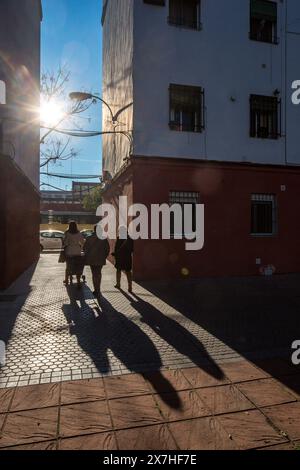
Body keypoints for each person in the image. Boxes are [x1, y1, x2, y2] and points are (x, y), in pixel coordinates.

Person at [83, 225, 110, 297]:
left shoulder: (89, 238)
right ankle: (98, 289)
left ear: (94, 230)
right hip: (100, 258)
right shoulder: (104, 238)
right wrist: (104, 256)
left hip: (92, 259)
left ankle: (96, 289)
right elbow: (107, 249)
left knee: (94, 274)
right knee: (99, 273)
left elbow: (85, 249)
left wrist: (87, 256)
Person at [63, 221, 85, 288]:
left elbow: (65, 243)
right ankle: (78, 282)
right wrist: (80, 246)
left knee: (68, 267)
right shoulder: (79, 233)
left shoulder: (67, 233)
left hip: (69, 252)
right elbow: (82, 242)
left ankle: (67, 280)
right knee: (78, 267)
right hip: (77, 252)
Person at [112, 226, 134, 293]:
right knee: (128, 272)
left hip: (120, 257)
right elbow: (132, 249)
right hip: (127, 257)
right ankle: (130, 287)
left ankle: (118, 284)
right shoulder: (130, 238)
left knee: (118, 270)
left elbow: (116, 248)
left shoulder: (119, 238)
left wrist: (115, 255)